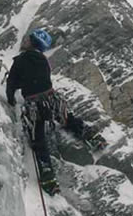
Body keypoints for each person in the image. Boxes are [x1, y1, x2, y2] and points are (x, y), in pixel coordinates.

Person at [6, 29, 106, 195]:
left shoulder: (20, 60)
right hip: (51, 97)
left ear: (32, 43)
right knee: (67, 118)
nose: (24, 41)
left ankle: (48, 176)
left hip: (33, 104)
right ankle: (91, 136)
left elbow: (12, 84)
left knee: (38, 138)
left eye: (28, 40)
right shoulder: (43, 60)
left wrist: (11, 100)